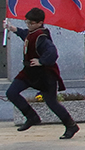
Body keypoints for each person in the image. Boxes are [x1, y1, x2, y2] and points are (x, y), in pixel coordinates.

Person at [4, 9, 80, 139]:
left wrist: (41, 61)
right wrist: (12, 28)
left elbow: (53, 52)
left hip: (45, 75)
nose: (28, 25)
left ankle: (71, 125)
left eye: (31, 23)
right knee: (11, 92)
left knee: (51, 102)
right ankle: (31, 116)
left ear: (40, 23)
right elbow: (25, 35)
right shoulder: (31, 33)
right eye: (27, 22)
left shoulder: (42, 37)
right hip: (29, 73)